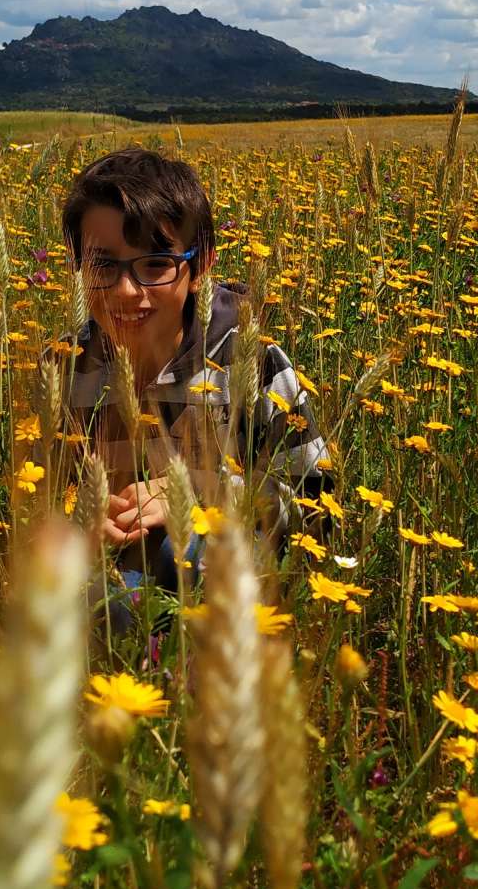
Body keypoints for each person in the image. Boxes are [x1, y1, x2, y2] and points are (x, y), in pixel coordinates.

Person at [58, 147, 327, 604]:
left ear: (200, 266)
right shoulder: (63, 369)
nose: (127, 291)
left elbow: (318, 505)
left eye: (156, 263)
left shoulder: (253, 363)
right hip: (99, 597)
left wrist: (199, 493)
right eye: (103, 264)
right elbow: (37, 496)